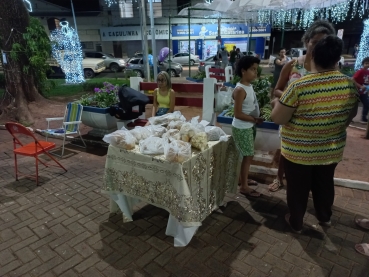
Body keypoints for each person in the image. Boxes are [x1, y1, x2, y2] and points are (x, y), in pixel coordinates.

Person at [271, 35, 359, 233]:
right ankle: (324, 218)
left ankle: (296, 222)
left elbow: (278, 118)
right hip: (330, 150)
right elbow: (350, 116)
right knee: (325, 184)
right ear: (337, 60)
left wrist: (276, 103)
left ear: (312, 57)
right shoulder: (349, 85)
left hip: (299, 151)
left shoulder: (300, 86)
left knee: (298, 189)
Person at [268, 19, 336, 192]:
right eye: (314, 42)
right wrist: (292, 100)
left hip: (318, 122)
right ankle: (279, 178)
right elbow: (277, 90)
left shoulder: (331, 68)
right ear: (307, 41)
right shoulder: (293, 65)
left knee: (314, 156)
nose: (317, 46)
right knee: (286, 150)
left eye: (322, 42)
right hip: (291, 119)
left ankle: (306, 188)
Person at [232, 56, 264, 198]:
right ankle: (244, 186)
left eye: (256, 69)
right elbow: (237, 113)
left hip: (249, 125)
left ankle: (243, 180)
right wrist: (254, 119)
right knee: (247, 156)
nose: (255, 72)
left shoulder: (248, 86)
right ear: (243, 71)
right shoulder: (240, 90)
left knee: (247, 155)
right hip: (242, 127)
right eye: (252, 69)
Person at [352, 57, 369, 123]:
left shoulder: (368, 72)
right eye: (366, 63)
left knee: (367, 104)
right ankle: (350, 118)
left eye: (368, 63)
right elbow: (353, 79)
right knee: (354, 106)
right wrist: (360, 86)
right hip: (356, 91)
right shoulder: (360, 71)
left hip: (363, 92)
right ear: (363, 64)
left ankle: (363, 118)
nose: (367, 65)